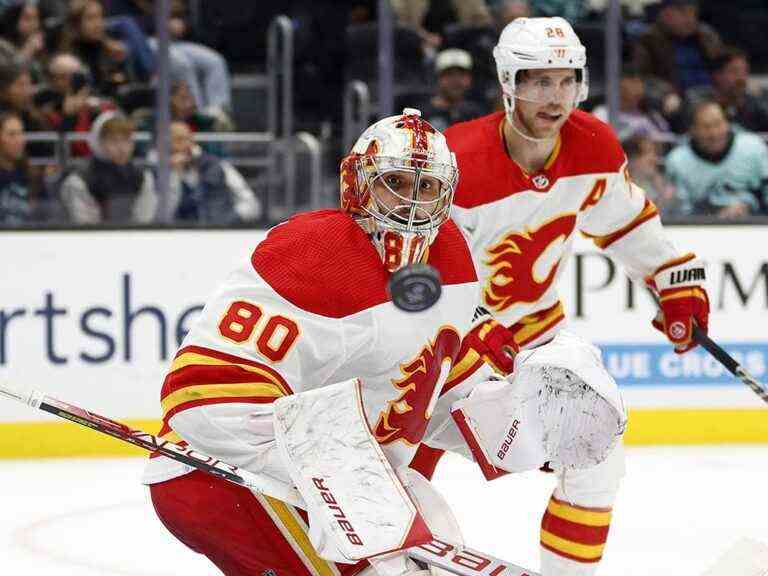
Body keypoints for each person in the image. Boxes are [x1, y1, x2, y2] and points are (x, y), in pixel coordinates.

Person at [142, 108, 626, 576]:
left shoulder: (453, 262)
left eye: (427, 187)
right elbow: (202, 398)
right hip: (218, 473)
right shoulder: (311, 253)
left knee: (428, 551)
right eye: (395, 183)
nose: (412, 202)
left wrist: (524, 428)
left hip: (341, 479)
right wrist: (341, 478)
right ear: (359, 184)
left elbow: (439, 398)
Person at [423, 17, 709, 576]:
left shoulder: (592, 143)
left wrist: (675, 283)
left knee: (597, 457)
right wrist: (473, 329)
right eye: (537, 82)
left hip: (538, 344)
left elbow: (627, 224)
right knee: (401, 468)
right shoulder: (456, 162)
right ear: (507, 83)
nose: (554, 99)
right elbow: (428, 274)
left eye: (566, 81)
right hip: (445, 349)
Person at [665, 100, 768, 218]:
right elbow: (680, 213)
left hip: (757, 227)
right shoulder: (677, 161)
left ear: (727, 123)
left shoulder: (754, 147)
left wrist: (749, 206)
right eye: (706, 127)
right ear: (692, 130)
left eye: (718, 124)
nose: (714, 133)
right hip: (702, 229)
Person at [153, 120, 260, 223]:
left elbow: (251, 204)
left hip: (221, 232)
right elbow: (163, 215)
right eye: (178, 140)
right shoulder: (157, 173)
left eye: (189, 139)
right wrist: (173, 174)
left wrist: (228, 221)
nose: (186, 145)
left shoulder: (217, 166)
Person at [58, 110, 155, 223]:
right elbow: (86, 226)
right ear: (98, 142)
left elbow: (144, 222)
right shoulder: (78, 180)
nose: (122, 148)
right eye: (113, 140)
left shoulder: (143, 176)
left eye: (126, 140)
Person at [674, 46, 768, 134]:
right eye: (734, 71)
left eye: (745, 71)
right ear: (717, 75)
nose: (741, 78)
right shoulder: (697, 99)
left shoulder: (752, 102)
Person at [415, 48, 488, 132]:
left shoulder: (476, 114)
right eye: (449, 74)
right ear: (438, 78)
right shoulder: (421, 115)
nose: (456, 81)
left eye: (461, 75)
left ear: (470, 79)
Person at [0, 110, 40, 225]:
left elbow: (42, 215)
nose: (20, 140)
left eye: (21, 133)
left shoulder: (31, 174)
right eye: (12, 134)